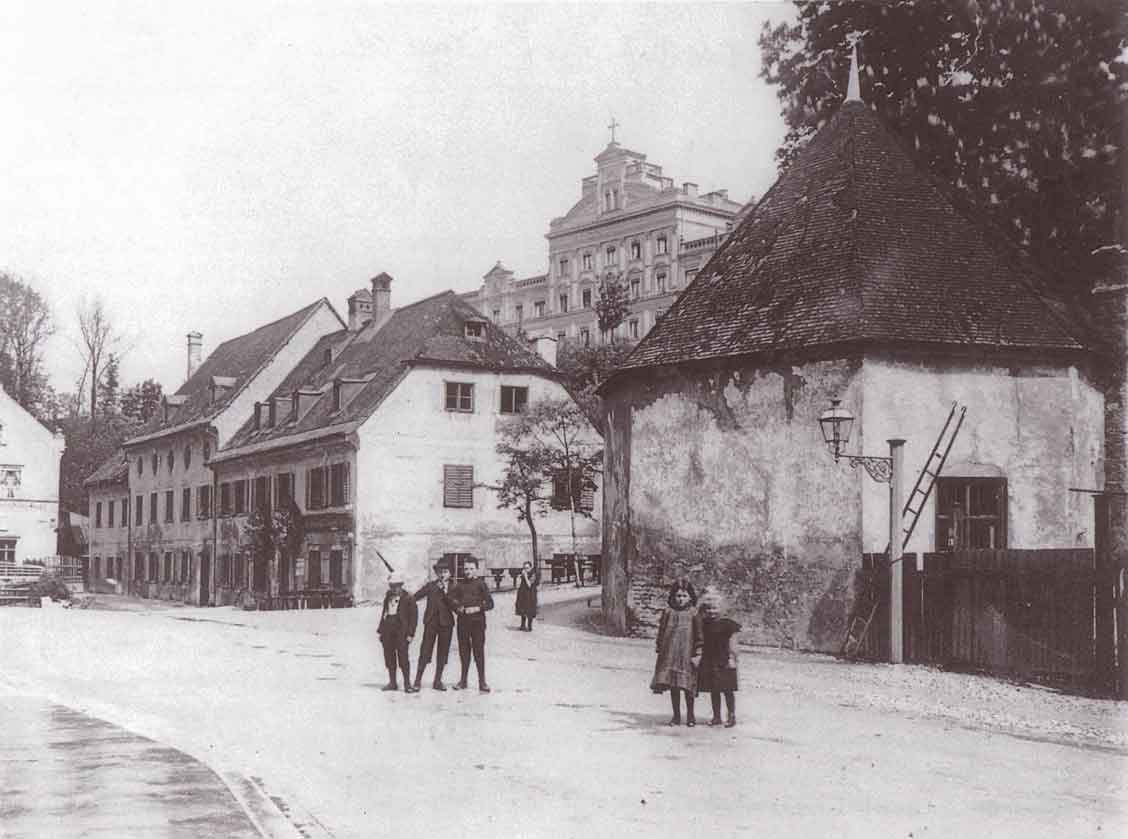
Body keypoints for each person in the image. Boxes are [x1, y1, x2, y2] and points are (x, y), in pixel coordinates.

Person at [650, 578, 701, 727]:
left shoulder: (694, 613)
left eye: (684, 596)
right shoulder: (668, 612)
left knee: (687, 687)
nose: (681, 599)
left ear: (690, 597)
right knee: (674, 686)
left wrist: (698, 653)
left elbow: (699, 636)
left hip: (686, 655)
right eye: (678, 596)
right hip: (670, 655)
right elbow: (661, 631)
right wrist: (659, 646)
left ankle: (690, 716)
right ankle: (676, 716)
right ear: (673, 596)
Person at [448, 558, 494, 692]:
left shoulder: (481, 584)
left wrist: (477, 608)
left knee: (478, 652)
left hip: (478, 624)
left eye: (471, 569)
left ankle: (482, 682)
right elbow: (450, 599)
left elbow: (490, 603)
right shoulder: (459, 585)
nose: (468, 571)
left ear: (476, 569)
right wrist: (458, 607)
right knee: (464, 652)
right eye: (466, 569)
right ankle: (463, 681)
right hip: (463, 623)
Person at [697, 591, 741, 728]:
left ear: (721, 609)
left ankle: (731, 715)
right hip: (710, 660)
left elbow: (733, 643)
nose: (712, 612)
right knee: (714, 689)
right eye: (708, 608)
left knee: (727, 689)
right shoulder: (704, 623)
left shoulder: (728, 624)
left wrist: (733, 658)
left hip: (725, 659)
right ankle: (716, 716)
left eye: (715, 608)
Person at [411, 559, 456, 691]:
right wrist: (406, 595)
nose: (442, 575)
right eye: (440, 572)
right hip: (431, 623)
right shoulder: (430, 586)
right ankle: (417, 681)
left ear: (450, 573)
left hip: (446, 624)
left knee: (443, 652)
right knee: (425, 651)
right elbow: (415, 597)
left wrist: (446, 593)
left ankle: (437, 681)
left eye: (446, 572)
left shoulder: (455, 587)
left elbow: (455, 606)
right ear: (436, 573)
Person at [378, 574, 418, 692]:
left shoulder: (408, 598)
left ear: (401, 585)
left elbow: (413, 618)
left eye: (397, 586)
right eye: (392, 586)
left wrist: (411, 634)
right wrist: (381, 631)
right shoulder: (388, 597)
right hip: (388, 629)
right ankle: (392, 682)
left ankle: (407, 684)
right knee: (389, 656)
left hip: (401, 630)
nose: (394, 589)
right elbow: (384, 613)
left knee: (403, 657)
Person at [515, 560, 539, 631]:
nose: (526, 570)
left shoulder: (533, 574)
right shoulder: (523, 574)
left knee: (530, 609)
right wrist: (519, 579)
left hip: (530, 594)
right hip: (523, 594)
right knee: (522, 608)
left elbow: (529, 585)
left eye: (527, 568)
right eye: (524, 568)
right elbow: (518, 585)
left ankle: (529, 625)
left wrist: (525, 576)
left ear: (531, 568)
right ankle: (522, 625)